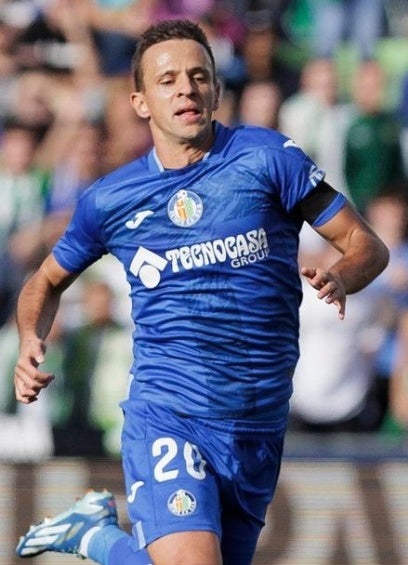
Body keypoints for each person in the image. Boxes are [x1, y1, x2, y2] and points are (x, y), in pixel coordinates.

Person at [12, 18, 389, 565]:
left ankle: (94, 535)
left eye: (198, 76)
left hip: (258, 423)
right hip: (169, 411)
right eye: (167, 81)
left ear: (216, 88)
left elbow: (366, 244)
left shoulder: (268, 159)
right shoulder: (111, 200)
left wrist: (343, 274)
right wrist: (30, 338)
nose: (185, 89)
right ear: (141, 102)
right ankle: (96, 537)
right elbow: (44, 281)